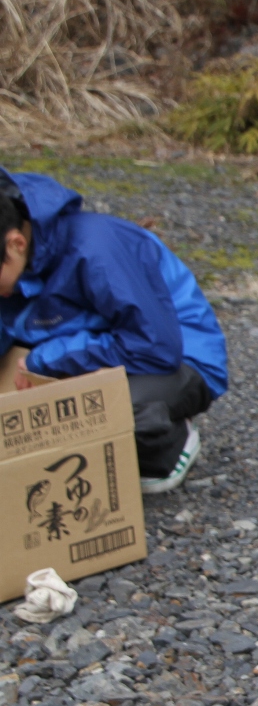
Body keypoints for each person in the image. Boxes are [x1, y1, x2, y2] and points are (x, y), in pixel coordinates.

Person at [0, 167, 228, 493]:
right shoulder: (18, 264)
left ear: (16, 244)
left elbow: (154, 347)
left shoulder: (97, 250)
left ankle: (172, 442)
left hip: (176, 358)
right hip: (89, 349)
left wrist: (46, 360)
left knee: (102, 412)